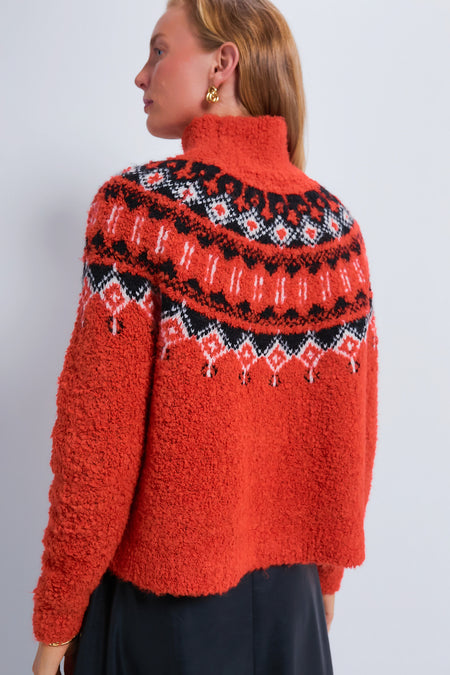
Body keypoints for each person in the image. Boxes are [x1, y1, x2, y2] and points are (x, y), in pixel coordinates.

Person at [32, 0, 379, 673]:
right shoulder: (337, 232)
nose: (141, 74)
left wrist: (55, 627)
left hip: (165, 617)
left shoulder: (141, 212)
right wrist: (326, 577)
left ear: (224, 64)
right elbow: (350, 438)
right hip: (296, 612)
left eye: (160, 49)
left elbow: (98, 447)